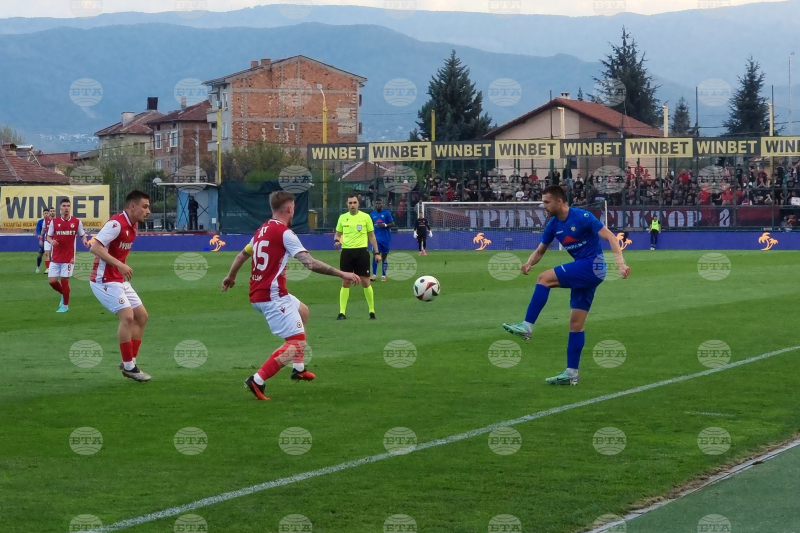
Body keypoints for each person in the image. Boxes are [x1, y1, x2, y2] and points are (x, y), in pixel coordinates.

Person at [221, 191, 361, 401]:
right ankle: (257, 380)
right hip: (271, 296)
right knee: (297, 343)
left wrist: (231, 276)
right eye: (293, 207)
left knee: (303, 311)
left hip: (263, 293)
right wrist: (342, 273)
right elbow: (310, 263)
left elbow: (242, 255)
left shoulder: (261, 230)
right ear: (289, 208)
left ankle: (298, 368)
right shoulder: (285, 233)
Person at [502, 185, 630, 385]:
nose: (544, 206)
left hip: (592, 266)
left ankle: (527, 326)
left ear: (559, 201)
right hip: (586, 271)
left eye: (547, 202)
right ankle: (572, 374)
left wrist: (620, 264)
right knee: (576, 324)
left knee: (544, 278)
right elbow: (540, 250)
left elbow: (611, 237)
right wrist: (528, 263)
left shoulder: (582, 216)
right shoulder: (553, 225)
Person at [89, 190, 152, 382]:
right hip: (103, 280)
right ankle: (130, 367)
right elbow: (95, 247)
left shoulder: (133, 226)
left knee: (142, 316)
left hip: (118, 280)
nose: (148, 211)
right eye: (145, 207)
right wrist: (120, 265)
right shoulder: (116, 224)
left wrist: (120, 268)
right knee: (128, 317)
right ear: (133, 206)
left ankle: (129, 362)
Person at [334, 194, 381, 320]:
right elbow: (338, 234)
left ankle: (372, 311)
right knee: (345, 281)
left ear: (358, 204)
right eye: (350, 203)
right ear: (347, 204)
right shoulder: (342, 218)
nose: (352, 205)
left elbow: (371, 236)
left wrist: (377, 253)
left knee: (365, 281)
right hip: (346, 253)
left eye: (354, 202)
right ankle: (342, 312)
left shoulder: (365, 217)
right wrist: (336, 240)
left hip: (361, 252)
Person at [46, 198, 90, 312]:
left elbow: (82, 235)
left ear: (70, 208)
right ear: (60, 208)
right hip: (56, 257)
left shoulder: (76, 222)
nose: (66, 208)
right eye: (64, 206)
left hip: (69, 258)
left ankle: (65, 306)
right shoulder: (54, 222)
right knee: (52, 281)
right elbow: (48, 236)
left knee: (65, 281)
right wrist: (51, 241)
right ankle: (64, 294)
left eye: (68, 206)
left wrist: (85, 241)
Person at [369, 198, 394, 281]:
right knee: (375, 256)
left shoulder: (386, 213)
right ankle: (374, 275)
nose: (378, 205)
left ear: (382, 204)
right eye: (377, 203)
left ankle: (383, 275)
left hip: (385, 238)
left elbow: (393, 223)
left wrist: (385, 225)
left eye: (379, 203)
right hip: (376, 239)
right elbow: (370, 226)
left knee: (384, 257)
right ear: (375, 204)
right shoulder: (372, 214)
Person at [35, 208, 49, 273]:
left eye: (47, 213)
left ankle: (48, 268)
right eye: (45, 213)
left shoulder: (52, 221)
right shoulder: (40, 222)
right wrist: (39, 238)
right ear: (43, 214)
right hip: (43, 240)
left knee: (49, 254)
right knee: (40, 254)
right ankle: (38, 267)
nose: (46, 214)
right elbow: (38, 230)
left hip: (49, 241)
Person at [42, 207, 55, 273]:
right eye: (51, 211)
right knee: (46, 254)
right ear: (49, 212)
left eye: (53, 211)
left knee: (54, 255)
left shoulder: (57, 220)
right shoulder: (46, 220)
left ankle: (54, 268)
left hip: (55, 240)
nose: (52, 212)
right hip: (47, 239)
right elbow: (43, 229)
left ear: (55, 212)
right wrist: (40, 238)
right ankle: (48, 268)